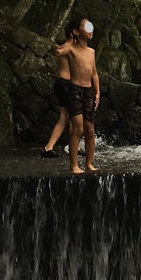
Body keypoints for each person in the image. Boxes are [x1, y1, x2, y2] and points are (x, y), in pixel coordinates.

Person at [55, 16, 100, 175]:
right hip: (74, 90)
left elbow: (94, 73)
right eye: (85, 27)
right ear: (76, 31)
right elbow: (57, 51)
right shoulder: (71, 49)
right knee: (77, 128)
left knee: (90, 130)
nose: (90, 30)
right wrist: (69, 39)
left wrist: (98, 92)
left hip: (89, 91)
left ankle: (89, 163)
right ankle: (74, 165)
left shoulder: (91, 52)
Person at [41, 22, 74, 158]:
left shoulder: (66, 46)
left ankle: (49, 147)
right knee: (73, 117)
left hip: (60, 83)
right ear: (73, 33)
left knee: (65, 117)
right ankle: (73, 147)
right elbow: (58, 51)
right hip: (67, 84)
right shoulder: (69, 47)